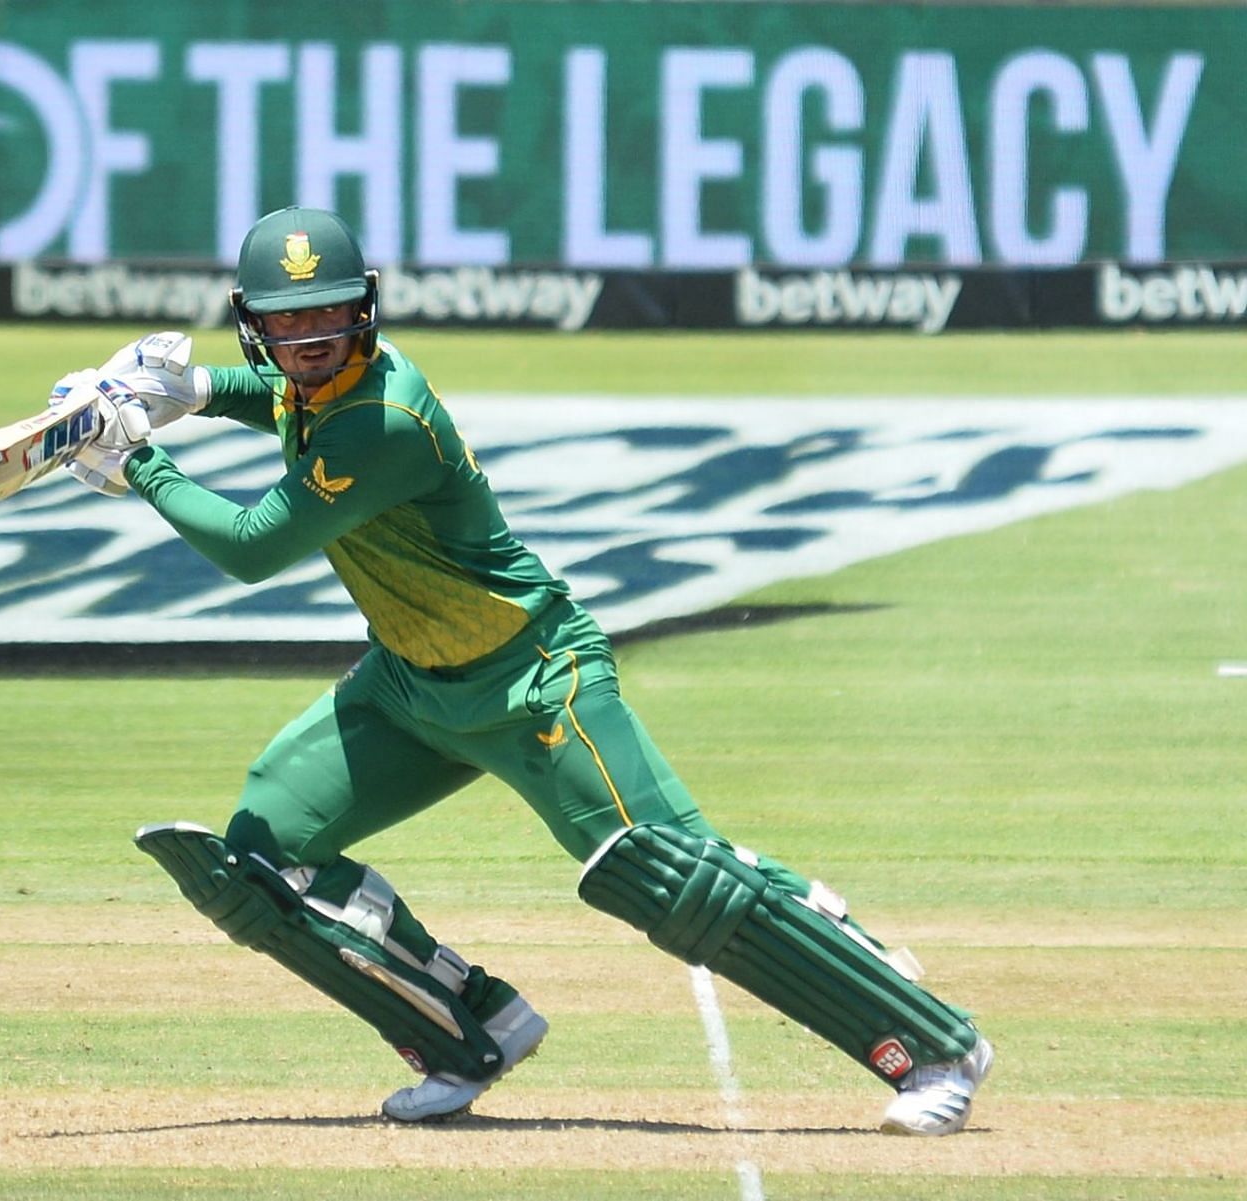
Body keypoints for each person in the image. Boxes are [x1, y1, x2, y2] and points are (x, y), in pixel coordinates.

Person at [49, 205, 993, 1135]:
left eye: (330, 313)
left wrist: (140, 459)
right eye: (288, 320)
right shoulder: (318, 389)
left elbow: (253, 546)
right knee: (262, 854)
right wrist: (193, 388)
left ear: (365, 307)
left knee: (674, 879)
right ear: (253, 319)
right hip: (412, 689)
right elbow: (289, 403)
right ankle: (468, 1034)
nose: (312, 338)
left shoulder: (383, 416)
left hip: (537, 680)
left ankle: (932, 1042)